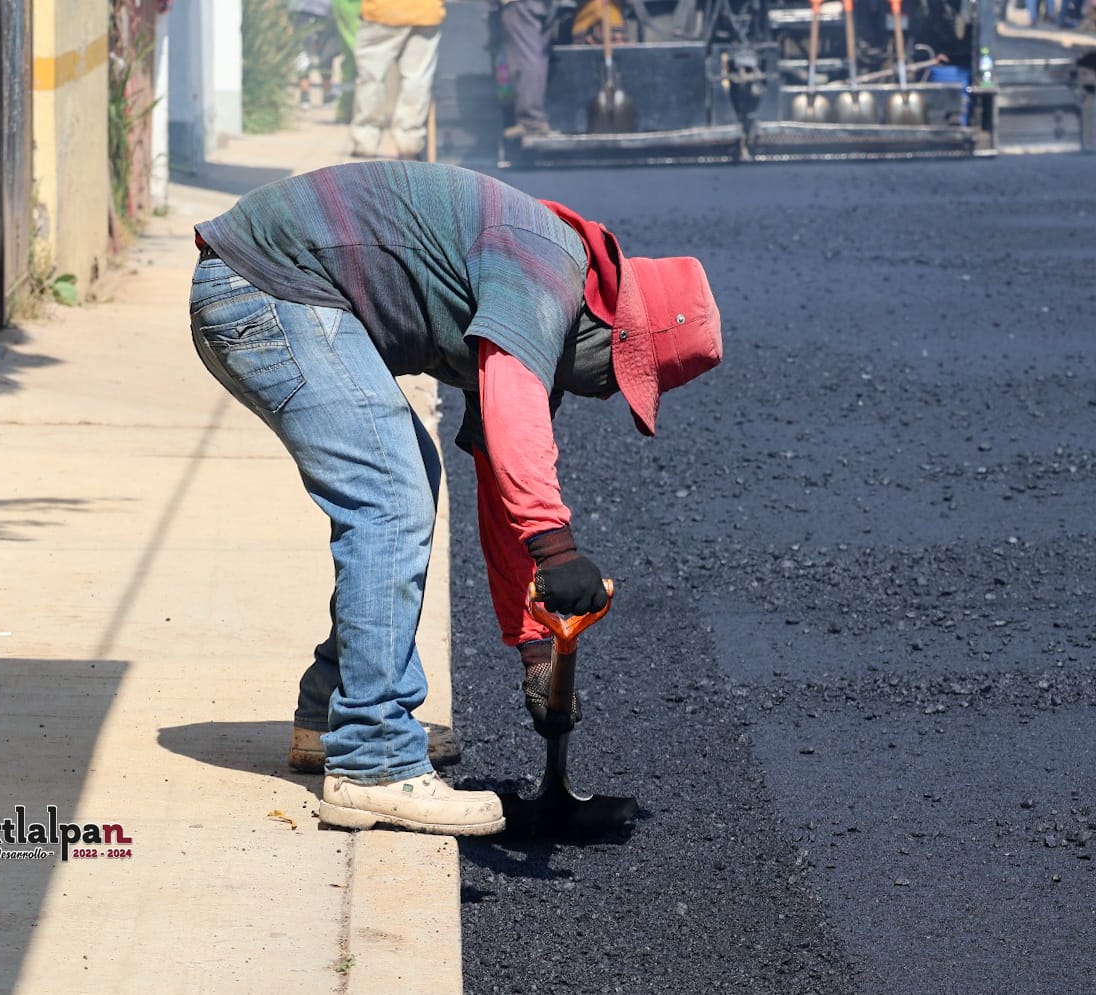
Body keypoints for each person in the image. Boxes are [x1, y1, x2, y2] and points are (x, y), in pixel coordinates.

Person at [188, 161, 723, 836]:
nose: (602, 393)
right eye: (617, 377)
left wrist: (536, 650)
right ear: (610, 330)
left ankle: (333, 712)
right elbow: (514, 416)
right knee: (388, 495)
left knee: (406, 469)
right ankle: (372, 759)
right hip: (264, 286)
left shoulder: (539, 280)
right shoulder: (543, 267)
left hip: (267, 282)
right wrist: (557, 546)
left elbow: (504, 481)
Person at [348, 0, 443, 158]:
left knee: (371, 78)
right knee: (417, 78)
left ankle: (366, 140)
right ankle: (409, 142)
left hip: (382, 11)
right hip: (425, 12)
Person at [500, 0, 556, 140]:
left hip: (521, 4)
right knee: (538, 57)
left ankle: (531, 120)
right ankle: (536, 117)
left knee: (526, 58)